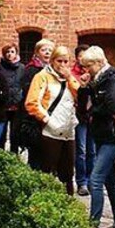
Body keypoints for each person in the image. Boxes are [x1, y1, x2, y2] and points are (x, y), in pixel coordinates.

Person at [80, 46, 115, 228]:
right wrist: (85, 87)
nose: (86, 70)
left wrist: (93, 110)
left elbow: (111, 106)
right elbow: (83, 106)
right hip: (101, 134)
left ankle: (92, 225)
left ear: (99, 62)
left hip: (113, 136)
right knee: (110, 181)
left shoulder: (113, 79)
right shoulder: (97, 79)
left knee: (95, 179)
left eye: (88, 66)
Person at [25, 46, 80, 195]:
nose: (62, 65)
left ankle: (68, 203)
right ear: (52, 60)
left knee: (68, 173)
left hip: (69, 131)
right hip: (50, 131)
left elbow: (80, 96)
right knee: (47, 170)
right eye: (59, 61)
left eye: (65, 61)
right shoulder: (42, 76)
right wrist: (49, 121)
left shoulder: (69, 78)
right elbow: (32, 103)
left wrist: (70, 78)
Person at [19, 38, 55, 168]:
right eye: (44, 50)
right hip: (35, 118)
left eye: (50, 50)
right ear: (37, 52)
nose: (47, 52)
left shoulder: (55, 71)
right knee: (36, 154)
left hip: (52, 116)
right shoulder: (31, 70)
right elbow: (28, 94)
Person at [72, 44, 95, 196]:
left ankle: (92, 180)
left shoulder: (95, 73)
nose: (83, 59)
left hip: (93, 117)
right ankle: (82, 182)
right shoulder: (73, 74)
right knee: (81, 150)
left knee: (92, 151)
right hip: (80, 116)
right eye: (80, 56)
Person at [0, 44, 25, 152]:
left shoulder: (22, 68)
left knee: (15, 134)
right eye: (7, 52)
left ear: (16, 53)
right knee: (2, 134)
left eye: (12, 52)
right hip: (3, 105)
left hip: (17, 105)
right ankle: (1, 154)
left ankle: (14, 155)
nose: (10, 54)